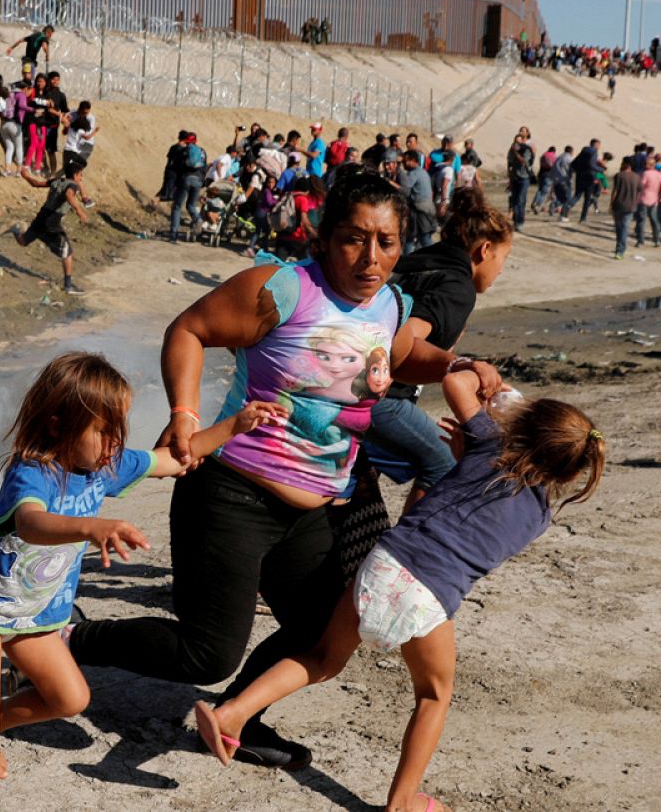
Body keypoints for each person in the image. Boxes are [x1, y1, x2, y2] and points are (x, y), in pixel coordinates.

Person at [65, 174, 503, 772]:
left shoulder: (390, 303)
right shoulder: (283, 289)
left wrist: (457, 361)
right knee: (205, 654)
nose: (371, 257)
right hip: (230, 493)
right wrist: (185, 415)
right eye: (354, 239)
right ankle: (70, 640)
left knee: (325, 633)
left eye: (387, 242)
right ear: (324, 238)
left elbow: (399, 357)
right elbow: (189, 330)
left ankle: (239, 717)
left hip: (316, 506)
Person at [0, 352, 285, 812]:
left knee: (70, 698)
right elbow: (31, 523)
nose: (113, 444)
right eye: (102, 431)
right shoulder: (32, 474)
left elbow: (172, 459)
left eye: (118, 430)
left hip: (36, 616)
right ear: (56, 426)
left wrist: (235, 426)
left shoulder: (104, 466)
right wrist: (92, 528)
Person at [194, 376, 604, 812]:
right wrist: (479, 445)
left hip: (383, 564)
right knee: (433, 696)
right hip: (429, 596)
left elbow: (456, 382)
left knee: (322, 660)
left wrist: (494, 388)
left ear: (520, 427)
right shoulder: (539, 516)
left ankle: (232, 713)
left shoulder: (487, 444)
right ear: (573, 473)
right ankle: (403, 802)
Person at [365, 188, 513, 512]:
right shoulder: (457, 287)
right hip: (379, 396)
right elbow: (404, 339)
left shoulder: (419, 260)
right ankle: (406, 550)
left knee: (363, 476)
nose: (501, 270)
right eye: (504, 258)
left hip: (345, 380)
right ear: (485, 250)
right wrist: (461, 364)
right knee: (445, 463)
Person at [11, 153, 90, 295]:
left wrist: (26, 175)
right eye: (80, 175)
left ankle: (15, 230)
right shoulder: (72, 185)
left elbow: (36, 183)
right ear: (75, 175)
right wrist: (79, 211)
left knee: (23, 241)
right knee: (67, 252)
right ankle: (68, 286)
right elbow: (68, 195)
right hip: (51, 222)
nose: (81, 178)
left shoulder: (56, 180)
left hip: (41, 217)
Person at [170, 133, 207, 241]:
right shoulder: (202, 151)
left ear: (186, 141)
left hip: (185, 179)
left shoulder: (183, 150)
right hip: (198, 180)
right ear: (196, 141)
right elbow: (204, 167)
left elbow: (177, 166)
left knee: (177, 206)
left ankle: (174, 234)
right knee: (191, 205)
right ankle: (198, 219)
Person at [398, 151, 435, 253]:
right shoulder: (423, 172)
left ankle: (433, 257)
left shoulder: (414, 173)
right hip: (425, 208)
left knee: (424, 238)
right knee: (411, 238)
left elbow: (405, 189)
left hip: (420, 210)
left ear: (413, 161)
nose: (404, 164)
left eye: (405, 161)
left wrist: (391, 182)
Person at [608, 156, 639, 260]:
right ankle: (621, 248)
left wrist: (611, 204)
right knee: (624, 228)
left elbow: (615, 191)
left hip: (618, 204)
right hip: (630, 206)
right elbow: (639, 191)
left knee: (619, 228)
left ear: (627, 164)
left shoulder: (619, 176)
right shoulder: (636, 177)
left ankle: (620, 249)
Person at [40, 72, 70, 174]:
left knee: (51, 150)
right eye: (53, 79)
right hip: (42, 123)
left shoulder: (61, 95)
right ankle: (45, 167)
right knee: (40, 147)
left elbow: (65, 110)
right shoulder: (44, 92)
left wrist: (64, 119)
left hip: (53, 126)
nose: (55, 81)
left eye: (57, 79)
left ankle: (52, 172)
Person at [506, 129, 533, 228]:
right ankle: (516, 221)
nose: (517, 143)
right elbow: (509, 162)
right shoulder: (511, 150)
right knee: (514, 200)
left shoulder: (526, 149)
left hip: (524, 177)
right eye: (515, 141)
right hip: (514, 177)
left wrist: (516, 153)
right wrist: (509, 175)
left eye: (519, 141)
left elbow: (523, 161)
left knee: (521, 200)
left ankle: (520, 221)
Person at [636, 155, 661, 248]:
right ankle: (656, 240)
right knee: (654, 220)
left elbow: (641, 185)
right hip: (654, 200)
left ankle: (641, 241)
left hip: (644, 199)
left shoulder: (646, 174)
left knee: (641, 221)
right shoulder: (659, 174)